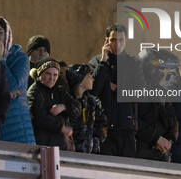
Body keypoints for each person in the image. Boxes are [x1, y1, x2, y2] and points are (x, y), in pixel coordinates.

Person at [89, 23, 145, 157]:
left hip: (126, 128)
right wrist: (103, 61)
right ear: (106, 41)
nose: (117, 44)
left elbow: (140, 94)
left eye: (121, 40)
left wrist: (116, 88)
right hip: (102, 128)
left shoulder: (134, 64)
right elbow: (93, 90)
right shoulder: (96, 62)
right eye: (113, 40)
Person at [0, 17, 35, 144]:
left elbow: (15, 86)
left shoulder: (20, 57)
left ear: (7, 34)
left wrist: (1, 60)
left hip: (17, 125)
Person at [27, 61, 80, 150]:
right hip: (44, 146)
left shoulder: (60, 91)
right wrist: (61, 128)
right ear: (40, 74)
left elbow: (77, 107)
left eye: (55, 75)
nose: (51, 78)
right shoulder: (34, 91)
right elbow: (39, 117)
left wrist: (64, 107)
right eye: (48, 74)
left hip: (63, 146)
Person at [66, 64, 107, 153]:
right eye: (89, 76)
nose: (92, 79)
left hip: (89, 151)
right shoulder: (66, 100)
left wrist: (96, 139)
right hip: (70, 152)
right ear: (80, 80)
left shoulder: (90, 101)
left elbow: (102, 121)